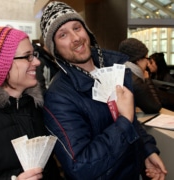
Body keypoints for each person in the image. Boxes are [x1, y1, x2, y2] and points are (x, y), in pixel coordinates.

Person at [40, 1, 167, 180]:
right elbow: (80, 167)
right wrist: (123, 120)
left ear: (87, 30)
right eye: (63, 35)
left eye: (77, 27)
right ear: (55, 49)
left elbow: (131, 122)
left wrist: (146, 151)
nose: (75, 38)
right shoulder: (58, 97)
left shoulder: (114, 68)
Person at [0, 27, 63, 180]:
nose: (37, 62)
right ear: (2, 65)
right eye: (27, 57)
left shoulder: (37, 107)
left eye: (35, 55)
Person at [119, 38, 162, 114]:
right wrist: (147, 79)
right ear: (138, 59)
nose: (147, 63)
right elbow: (155, 107)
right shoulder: (135, 80)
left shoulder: (121, 71)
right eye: (146, 58)